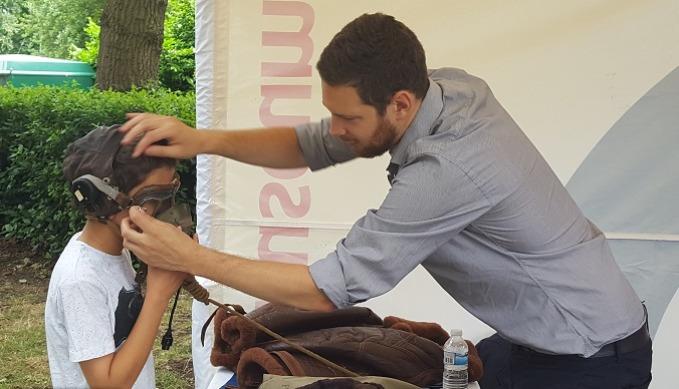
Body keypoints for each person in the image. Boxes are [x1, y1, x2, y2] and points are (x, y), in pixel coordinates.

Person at [118, 13, 652, 388]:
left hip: (590, 361)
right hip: (536, 341)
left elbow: (328, 289)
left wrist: (189, 259)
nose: (338, 131)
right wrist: (201, 139)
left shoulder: (448, 168)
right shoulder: (442, 90)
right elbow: (311, 143)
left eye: (349, 119)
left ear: (399, 104)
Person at [45, 125, 188, 388]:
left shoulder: (116, 251)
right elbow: (108, 384)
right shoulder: (80, 280)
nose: (165, 209)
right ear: (109, 200)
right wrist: (158, 294)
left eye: (171, 194)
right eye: (156, 197)